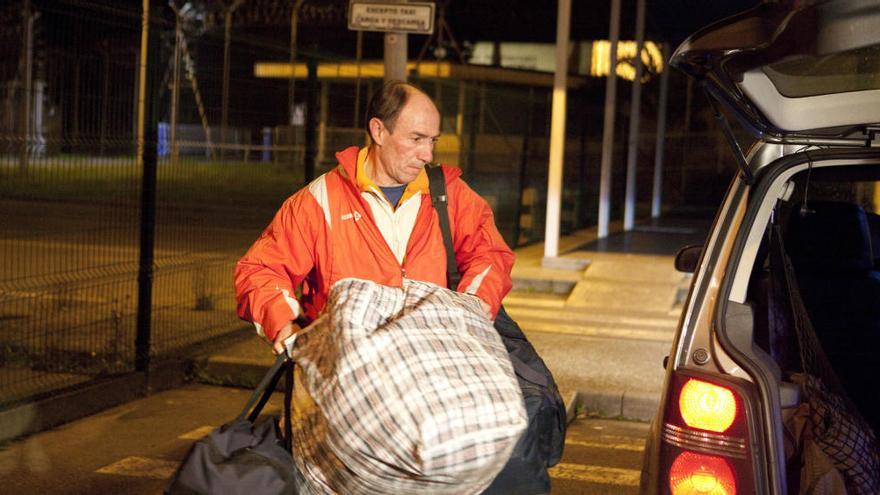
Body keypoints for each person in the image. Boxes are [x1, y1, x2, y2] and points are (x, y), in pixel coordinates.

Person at [234, 80, 514, 353]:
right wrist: (285, 324)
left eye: (432, 141)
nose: (427, 154)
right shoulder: (319, 201)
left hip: (429, 366)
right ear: (378, 131)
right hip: (344, 371)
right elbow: (260, 270)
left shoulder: (452, 195)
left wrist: (469, 314)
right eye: (416, 139)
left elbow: (490, 256)